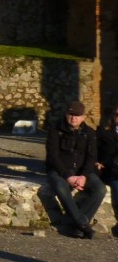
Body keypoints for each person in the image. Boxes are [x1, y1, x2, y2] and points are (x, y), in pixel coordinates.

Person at [45, 100, 106, 239]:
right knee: (61, 187)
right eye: (70, 114)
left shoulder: (89, 133)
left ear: (83, 117)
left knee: (100, 189)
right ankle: (83, 224)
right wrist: (68, 176)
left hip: (82, 171)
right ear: (66, 115)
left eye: (77, 115)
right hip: (60, 170)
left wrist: (83, 176)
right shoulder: (55, 130)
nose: (73, 118)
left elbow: (92, 157)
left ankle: (76, 226)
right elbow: (53, 156)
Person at [95, 103, 118, 237]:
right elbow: (94, 151)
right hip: (112, 172)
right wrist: (96, 162)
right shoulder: (103, 134)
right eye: (117, 115)